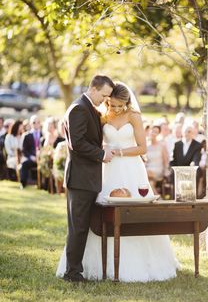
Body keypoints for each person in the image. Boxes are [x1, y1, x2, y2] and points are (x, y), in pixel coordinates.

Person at [57, 82, 179, 282]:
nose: (114, 109)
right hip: (107, 169)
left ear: (127, 102)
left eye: (118, 106)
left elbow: (142, 148)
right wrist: (104, 152)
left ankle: (140, 264)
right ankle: (89, 265)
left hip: (131, 169)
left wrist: (119, 152)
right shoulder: (102, 115)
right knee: (99, 215)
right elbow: (95, 141)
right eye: (111, 104)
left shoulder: (134, 116)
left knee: (134, 213)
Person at [62, 75, 115, 283]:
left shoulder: (87, 107)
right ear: (93, 89)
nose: (104, 100)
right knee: (79, 227)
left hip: (87, 178)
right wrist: (101, 154)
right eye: (103, 95)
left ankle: (75, 270)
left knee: (83, 226)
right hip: (80, 178)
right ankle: (72, 273)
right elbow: (77, 143)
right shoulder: (79, 108)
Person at [20, 115, 41, 188]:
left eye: (38, 122)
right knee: (24, 164)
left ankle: (44, 185)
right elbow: (24, 150)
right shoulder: (26, 135)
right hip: (31, 159)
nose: (36, 124)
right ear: (31, 123)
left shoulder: (43, 135)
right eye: (34, 122)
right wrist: (31, 157)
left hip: (41, 159)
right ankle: (23, 183)